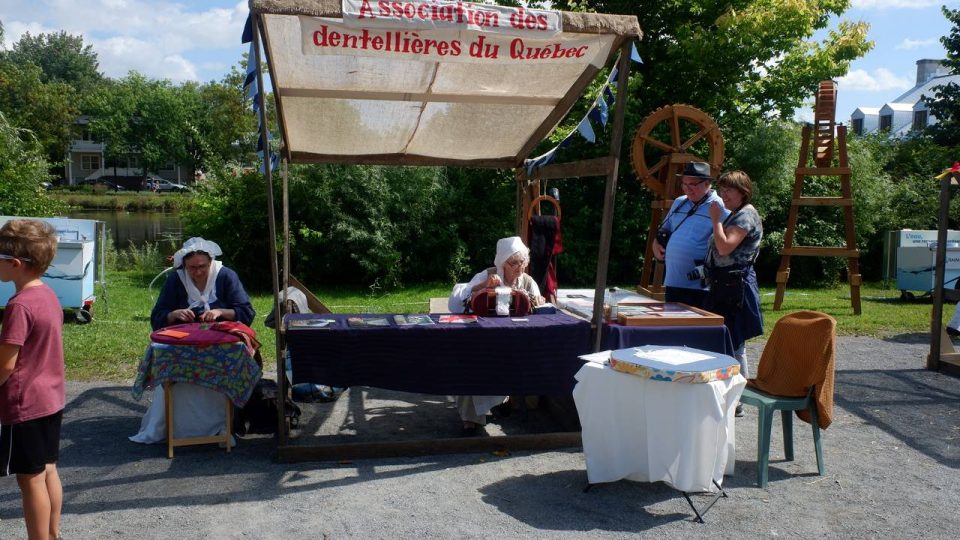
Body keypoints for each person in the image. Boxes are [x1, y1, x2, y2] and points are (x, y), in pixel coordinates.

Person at [132, 237, 255, 444]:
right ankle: (177, 427)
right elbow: (158, 317)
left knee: (230, 357)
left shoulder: (226, 276)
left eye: (202, 267)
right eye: (192, 268)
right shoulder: (175, 280)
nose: (198, 272)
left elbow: (247, 312)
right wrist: (174, 314)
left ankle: (221, 424)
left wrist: (220, 311)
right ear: (184, 265)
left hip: (219, 341)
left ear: (211, 262)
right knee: (169, 358)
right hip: (183, 342)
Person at [0, 219, 65, 540]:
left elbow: (6, 365)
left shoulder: (19, 305)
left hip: (25, 405)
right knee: (48, 468)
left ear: (14, 264)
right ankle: (52, 534)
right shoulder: (48, 295)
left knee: (29, 478)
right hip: (51, 399)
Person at [454, 236, 544, 435]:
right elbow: (456, 301)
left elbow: (541, 308)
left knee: (514, 361)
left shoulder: (528, 282)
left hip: (516, 342)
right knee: (471, 362)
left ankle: (502, 401)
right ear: (503, 262)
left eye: (523, 262)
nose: (519, 267)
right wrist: (482, 286)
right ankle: (470, 419)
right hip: (485, 339)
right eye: (514, 263)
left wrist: (539, 301)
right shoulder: (488, 275)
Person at [705, 171, 764, 416]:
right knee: (729, 340)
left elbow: (725, 246)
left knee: (734, 342)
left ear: (743, 191)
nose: (723, 194)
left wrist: (716, 220)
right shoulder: (737, 215)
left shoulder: (746, 216)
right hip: (726, 285)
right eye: (722, 189)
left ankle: (738, 399)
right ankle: (734, 396)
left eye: (729, 190)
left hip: (735, 287)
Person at [652, 161, 728, 308]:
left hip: (700, 285)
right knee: (673, 327)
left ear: (707, 184)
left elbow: (727, 245)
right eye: (684, 184)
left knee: (695, 328)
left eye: (692, 184)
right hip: (673, 281)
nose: (687, 189)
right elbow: (664, 230)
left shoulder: (719, 206)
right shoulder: (679, 202)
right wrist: (655, 244)